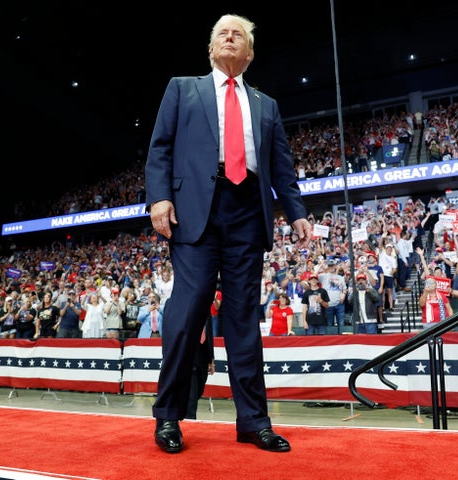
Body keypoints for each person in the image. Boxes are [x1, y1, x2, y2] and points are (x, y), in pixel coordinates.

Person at [144, 13, 311, 454]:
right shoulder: (182, 88)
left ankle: (253, 421)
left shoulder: (267, 105)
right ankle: (168, 416)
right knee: (188, 310)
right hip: (196, 210)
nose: (230, 37)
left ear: (250, 53)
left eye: (239, 34)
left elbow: (281, 166)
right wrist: (158, 198)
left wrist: (296, 212)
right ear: (211, 47)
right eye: (223, 32)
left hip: (248, 215)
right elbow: (159, 147)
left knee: (242, 321)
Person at [186, 316, 215, 420]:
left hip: (203, 355)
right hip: (189, 354)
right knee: (192, 394)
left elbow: (210, 337)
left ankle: (185, 412)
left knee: (199, 389)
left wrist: (211, 360)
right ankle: (190, 418)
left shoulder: (207, 314)